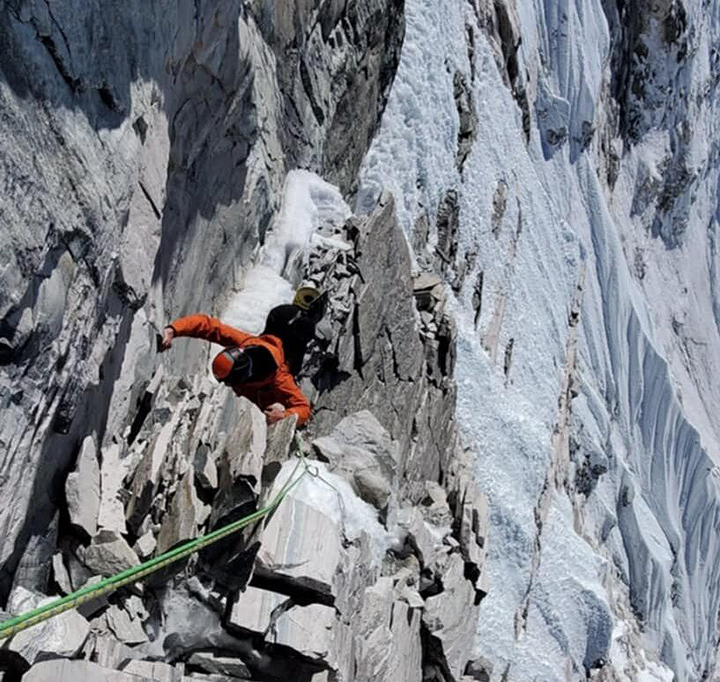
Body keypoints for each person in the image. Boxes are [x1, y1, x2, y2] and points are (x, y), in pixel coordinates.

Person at [158, 314, 311, 426]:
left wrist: (284, 416)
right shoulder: (246, 344)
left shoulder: (280, 379)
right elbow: (209, 326)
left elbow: (304, 408)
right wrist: (174, 329)